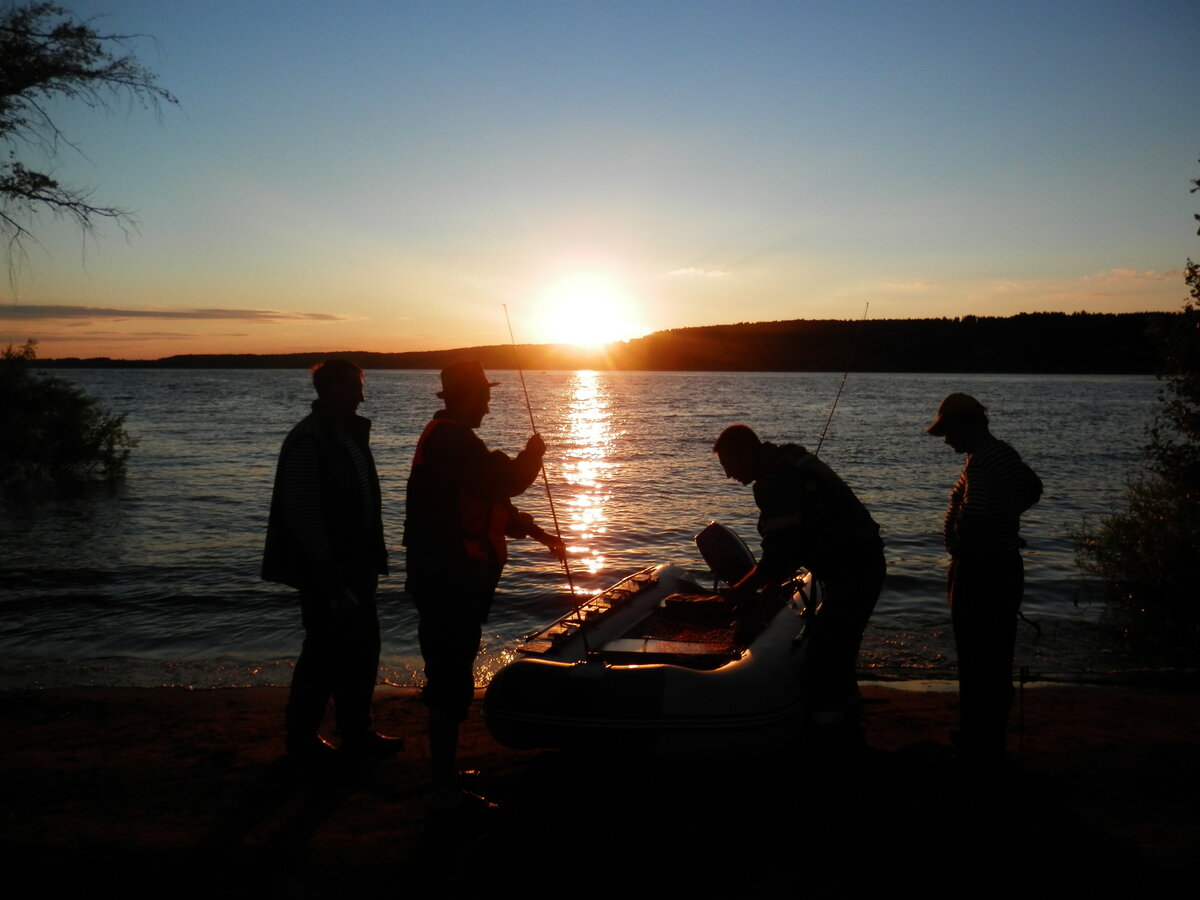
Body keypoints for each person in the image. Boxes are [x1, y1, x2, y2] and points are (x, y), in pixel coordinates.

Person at [405, 360, 565, 808]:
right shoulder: (451, 441)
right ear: (463, 397)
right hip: (446, 581)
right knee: (449, 678)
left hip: (454, 580)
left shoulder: (455, 441)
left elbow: (492, 506)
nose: (489, 405)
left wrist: (542, 535)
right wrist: (533, 454)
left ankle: (446, 774)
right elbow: (507, 482)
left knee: (451, 673)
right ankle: (442, 789)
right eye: (485, 397)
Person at [262, 359, 399, 760]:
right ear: (332, 390)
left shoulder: (347, 435)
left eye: (361, 387)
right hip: (329, 572)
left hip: (357, 566)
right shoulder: (310, 440)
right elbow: (303, 515)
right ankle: (302, 740)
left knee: (361, 651)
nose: (361, 395)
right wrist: (331, 577)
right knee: (324, 656)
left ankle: (355, 731)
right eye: (354, 387)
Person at [713, 424, 885, 732]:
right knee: (840, 649)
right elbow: (793, 543)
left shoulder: (774, 483)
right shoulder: (789, 461)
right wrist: (767, 589)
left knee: (821, 658)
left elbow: (779, 554)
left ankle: (828, 732)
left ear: (748, 453)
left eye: (730, 465)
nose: (728, 474)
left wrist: (740, 591)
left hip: (854, 570)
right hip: (862, 563)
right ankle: (849, 712)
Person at [926, 392, 1042, 778]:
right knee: (995, 658)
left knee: (977, 661)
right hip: (1003, 567)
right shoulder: (1003, 454)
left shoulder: (981, 463)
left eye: (948, 431)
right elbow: (1033, 488)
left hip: (980, 573)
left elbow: (974, 513)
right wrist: (1005, 524)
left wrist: (971, 544)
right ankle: (985, 741)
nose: (946, 441)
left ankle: (979, 751)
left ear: (965, 424)